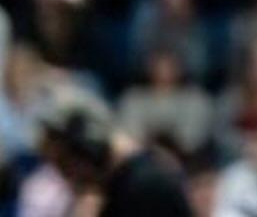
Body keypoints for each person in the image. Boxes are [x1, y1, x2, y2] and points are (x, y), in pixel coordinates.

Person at [35, 83, 192, 215]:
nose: (68, 179)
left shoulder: (144, 186)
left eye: (64, 165)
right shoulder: (118, 187)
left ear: (88, 147)